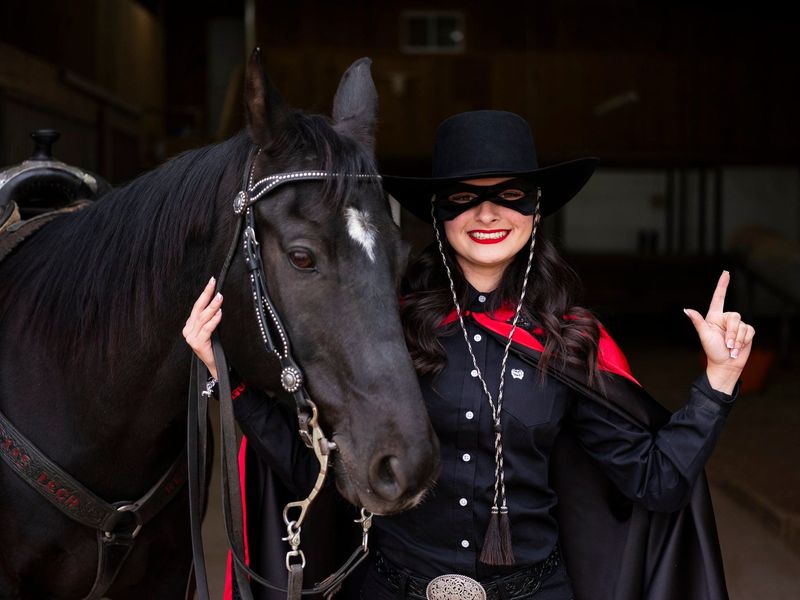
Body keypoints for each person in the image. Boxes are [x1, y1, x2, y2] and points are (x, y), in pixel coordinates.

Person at [184, 110, 754, 600]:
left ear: (534, 212)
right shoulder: (394, 330)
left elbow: (658, 483)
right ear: (438, 213)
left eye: (510, 196)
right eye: (465, 198)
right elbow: (322, 471)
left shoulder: (571, 340)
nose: (488, 214)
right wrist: (228, 377)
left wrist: (718, 383)